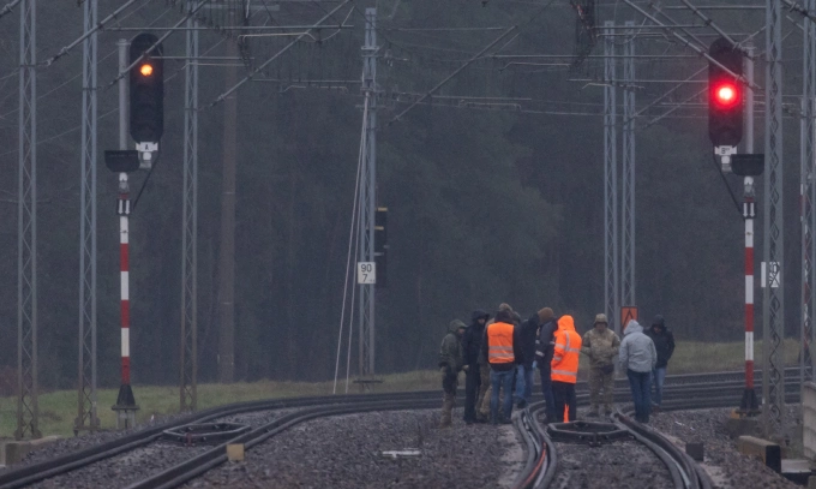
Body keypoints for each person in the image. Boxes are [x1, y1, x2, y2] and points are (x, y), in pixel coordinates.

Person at [482, 309, 521, 425]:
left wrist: (488, 360)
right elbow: (517, 347)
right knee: (508, 392)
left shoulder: (490, 328)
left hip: (494, 364)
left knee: (495, 392)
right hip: (509, 364)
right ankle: (506, 417)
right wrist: (518, 361)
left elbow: (484, 347)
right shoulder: (512, 329)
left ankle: (493, 418)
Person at [581, 313, 621, 417]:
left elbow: (618, 346)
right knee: (594, 389)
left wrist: (611, 352)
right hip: (594, 365)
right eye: (598, 323)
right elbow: (582, 346)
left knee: (609, 389)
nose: (600, 325)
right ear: (595, 324)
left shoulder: (612, 334)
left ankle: (608, 408)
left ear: (606, 324)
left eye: (602, 323)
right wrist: (590, 352)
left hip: (607, 365)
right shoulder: (589, 334)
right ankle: (594, 408)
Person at [618, 319, 657, 423]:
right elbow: (654, 355)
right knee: (646, 392)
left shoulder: (627, 340)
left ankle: (639, 416)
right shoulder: (648, 339)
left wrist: (624, 369)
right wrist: (651, 366)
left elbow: (623, 358)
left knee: (637, 393)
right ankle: (646, 416)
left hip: (633, 370)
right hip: (647, 370)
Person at [551, 314, 582, 422]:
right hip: (571, 374)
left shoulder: (563, 335)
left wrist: (551, 364)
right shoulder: (577, 337)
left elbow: (559, 353)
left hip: (559, 374)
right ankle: (571, 419)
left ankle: (561, 420)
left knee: (560, 399)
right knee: (571, 398)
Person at [462, 310, 490, 424]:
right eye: (480, 319)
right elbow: (464, 348)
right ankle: (468, 415)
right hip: (472, 364)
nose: (482, 321)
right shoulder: (469, 331)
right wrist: (465, 363)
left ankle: (477, 414)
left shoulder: (485, 330)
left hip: (482, 364)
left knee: (481, 390)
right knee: (471, 391)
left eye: (483, 318)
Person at [438, 319, 467, 428]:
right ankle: (444, 422)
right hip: (449, 370)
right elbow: (450, 356)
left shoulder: (455, 339)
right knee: (448, 396)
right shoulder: (451, 338)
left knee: (450, 396)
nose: (462, 331)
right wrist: (453, 369)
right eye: (460, 329)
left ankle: (447, 421)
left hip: (451, 369)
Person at [645, 315, 675, 411]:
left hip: (661, 364)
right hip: (649, 363)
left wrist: (667, 357)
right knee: (648, 384)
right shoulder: (647, 332)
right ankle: (649, 403)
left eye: (659, 327)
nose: (657, 329)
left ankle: (657, 404)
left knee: (659, 386)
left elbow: (672, 346)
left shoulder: (667, 334)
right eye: (655, 327)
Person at [514, 309, 542, 408]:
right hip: (525, 359)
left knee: (523, 379)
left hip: (527, 359)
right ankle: (522, 399)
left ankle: (522, 399)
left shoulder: (523, 328)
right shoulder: (529, 330)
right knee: (526, 380)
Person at [535, 307, 558, 421]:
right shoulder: (556, 326)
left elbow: (543, 345)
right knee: (554, 389)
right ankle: (555, 412)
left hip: (546, 363)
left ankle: (550, 414)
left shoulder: (546, 327)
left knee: (547, 389)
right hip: (555, 363)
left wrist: (537, 360)